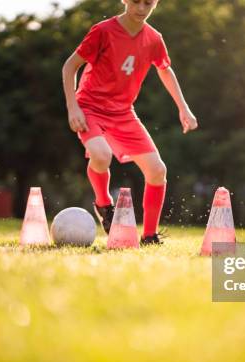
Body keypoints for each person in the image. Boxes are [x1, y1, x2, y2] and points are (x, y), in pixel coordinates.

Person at [62, 0, 198, 245]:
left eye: (149, 3)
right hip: (90, 107)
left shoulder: (154, 38)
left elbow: (165, 70)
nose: (142, 8)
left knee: (157, 171)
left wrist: (183, 108)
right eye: (136, 1)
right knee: (102, 156)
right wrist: (73, 107)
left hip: (123, 113)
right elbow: (69, 67)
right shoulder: (103, 30)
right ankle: (104, 205)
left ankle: (149, 236)